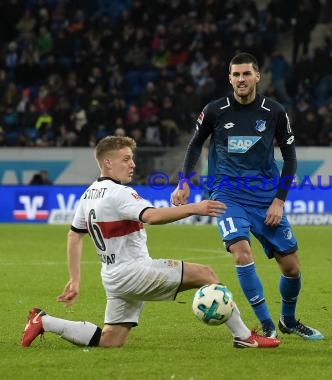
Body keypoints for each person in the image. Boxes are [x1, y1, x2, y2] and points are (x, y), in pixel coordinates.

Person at [21, 136, 280, 349]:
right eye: (126, 159)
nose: (132, 164)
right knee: (206, 274)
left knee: (111, 340)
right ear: (107, 163)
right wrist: (194, 208)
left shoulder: (89, 194)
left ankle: (45, 322)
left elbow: (74, 235)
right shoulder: (119, 193)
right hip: (134, 271)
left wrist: (75, 278)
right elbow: (152, 216)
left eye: (132, 158)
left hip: (113, 276)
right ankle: (244, 337)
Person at [171, 52, 324, 340]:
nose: (241, 79)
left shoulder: (274, 111)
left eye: (246, 74)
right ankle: (266, 325)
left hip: (266, 197)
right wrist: (183, 182)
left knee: (291, 267)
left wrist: (279, 200)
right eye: (235, 75)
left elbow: (290, 159)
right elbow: (194, 146)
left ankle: (288, 321)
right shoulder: (215, 110)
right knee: (241, 253)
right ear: (229, 79)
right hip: (226, 193)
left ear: (257, 77)